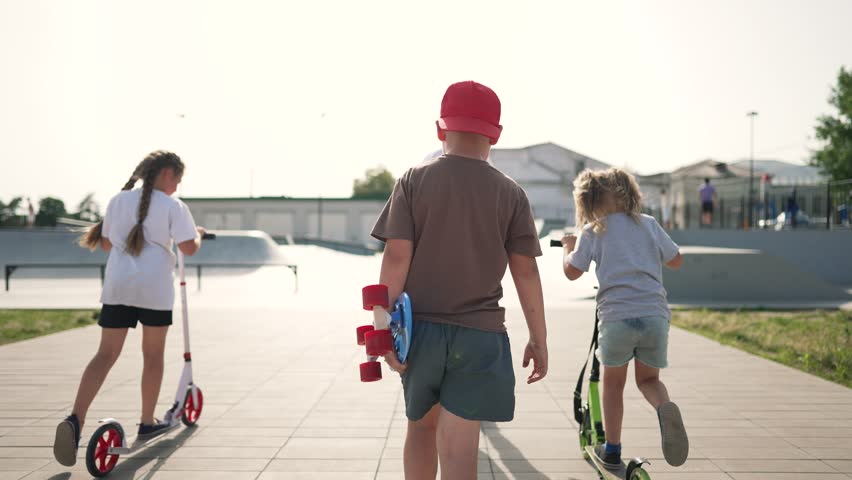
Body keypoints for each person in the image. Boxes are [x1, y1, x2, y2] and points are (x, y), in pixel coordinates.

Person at [371, 81, 548, 479]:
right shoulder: (511, 193)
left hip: (423, 334)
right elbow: (526, 271)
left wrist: (381, 331)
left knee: (420, 428)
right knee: (459, 447)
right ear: (496, 135)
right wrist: (539, 338)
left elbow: (396, 257)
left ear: (440, 129)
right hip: (480, 337)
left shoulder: (413, 180)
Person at [53, 151, 206, 467]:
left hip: (119, 285)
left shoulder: (118, 200)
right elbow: (188, 248)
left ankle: (75, 419)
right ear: (166, 173)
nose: (177, 186)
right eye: (177, 179)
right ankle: (147, 422)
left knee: (105, 355)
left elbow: (107, 244)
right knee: (152, 356)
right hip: (154, 290)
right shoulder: (174, 206)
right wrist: (199, 235)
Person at [560, 168, 688, 469]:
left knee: (613, 385)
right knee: (648, 380)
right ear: (629, 194)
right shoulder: (648, 224)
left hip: (617, 317)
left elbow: (572, 271)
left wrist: (568, 247)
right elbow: (677, 260)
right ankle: (664, 407)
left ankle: (613, 449)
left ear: (589, 200)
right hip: (654, 314)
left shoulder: (594, 229)